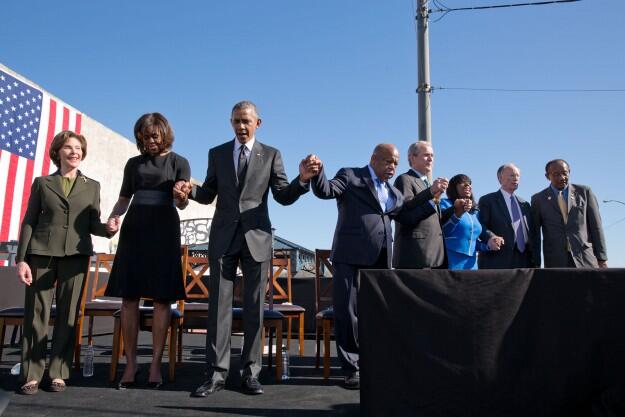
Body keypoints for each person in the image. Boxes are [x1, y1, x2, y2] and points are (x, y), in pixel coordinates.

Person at [177, 101, 319, 397]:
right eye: (236, 121)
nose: (241, 126)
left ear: (258, 123)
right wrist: (191, 191)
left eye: (246, 121)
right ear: (231, 123)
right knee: (219, 307)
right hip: (223, 238)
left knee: (255, 308)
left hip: (256, 238)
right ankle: (216, 374)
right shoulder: (216, 153)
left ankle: (250, 373)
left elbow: (282, 196)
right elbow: (208, 194)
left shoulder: (271, 155)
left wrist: (302, 180)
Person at [309, 143, 432, 390]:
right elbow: (326, 191)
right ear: (374, 158)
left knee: (375, 313)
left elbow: (406, 217)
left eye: (396, 163)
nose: (392, 167)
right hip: (350, 256)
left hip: (381, 260)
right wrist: (318, 173)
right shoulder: (351, 175)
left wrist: (432, 201)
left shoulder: (394, 194)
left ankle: (373, 361)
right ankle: (350, 368)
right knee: (347, 312)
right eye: (388, 161)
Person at [15, 130, 116, 395]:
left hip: (76, 255)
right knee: (36, 315)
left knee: (69, 315)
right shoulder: (42, 182)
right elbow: (29, 220)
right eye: (69, 147)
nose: (75, 152)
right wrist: (22, 259)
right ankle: (31, 374)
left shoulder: (92, 186)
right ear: (57, 152)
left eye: (79, 148)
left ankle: (58, 372)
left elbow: (93, 223)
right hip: (41, 254)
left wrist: (108, 229)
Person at [104, 113, 190, 389]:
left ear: (164, 133)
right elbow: (123, 200)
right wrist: (114, 218)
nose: (149, 140)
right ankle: (131, 364)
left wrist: (181, 194)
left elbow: (182, 204)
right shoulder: (133, 164)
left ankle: (155, 364)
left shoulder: (180, 162)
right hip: (134, 231)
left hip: (164, 230)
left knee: (162, 300)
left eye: (154, 135)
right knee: (129, 299)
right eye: (144, 136)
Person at [530, 159, 607, 268]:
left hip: (585, 258)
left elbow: (596, 227)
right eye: (556, 174)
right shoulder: (538, 199)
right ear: (547, 176)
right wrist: (535, 262)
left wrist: (602, 258)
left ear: (569, 172)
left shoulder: (585, 192)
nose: (561, 178)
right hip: (555, 261)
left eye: (564, 173)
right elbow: (535, 234)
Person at [392, 141, 448, 269]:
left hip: (435, 256)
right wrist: (431, 193)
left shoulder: (427, 183)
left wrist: (455, 210)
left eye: (432, 155)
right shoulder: (404, 179)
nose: (430, 159)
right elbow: (406, 211)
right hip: (416, 255)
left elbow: (434, 219)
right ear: (412, 157)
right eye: (426, 155)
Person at [477, 163, 535, 268]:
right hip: (498, 259)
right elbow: (480, 225)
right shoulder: (488, 200)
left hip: (524, 260)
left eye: (518, 176)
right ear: (500, 178)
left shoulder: (525, 204)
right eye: (512, 175)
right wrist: (491, 237)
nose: (515, 178)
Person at [439, 174, 495, 270]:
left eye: (469, 183)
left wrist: (488, 246)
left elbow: (472, 242)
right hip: (450, 262)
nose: (467, 186)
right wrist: (457, 215)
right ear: (453, 187)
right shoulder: (444, 204)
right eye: (462, 183)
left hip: (472, 265)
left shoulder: (475, 212)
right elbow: (441, 233)